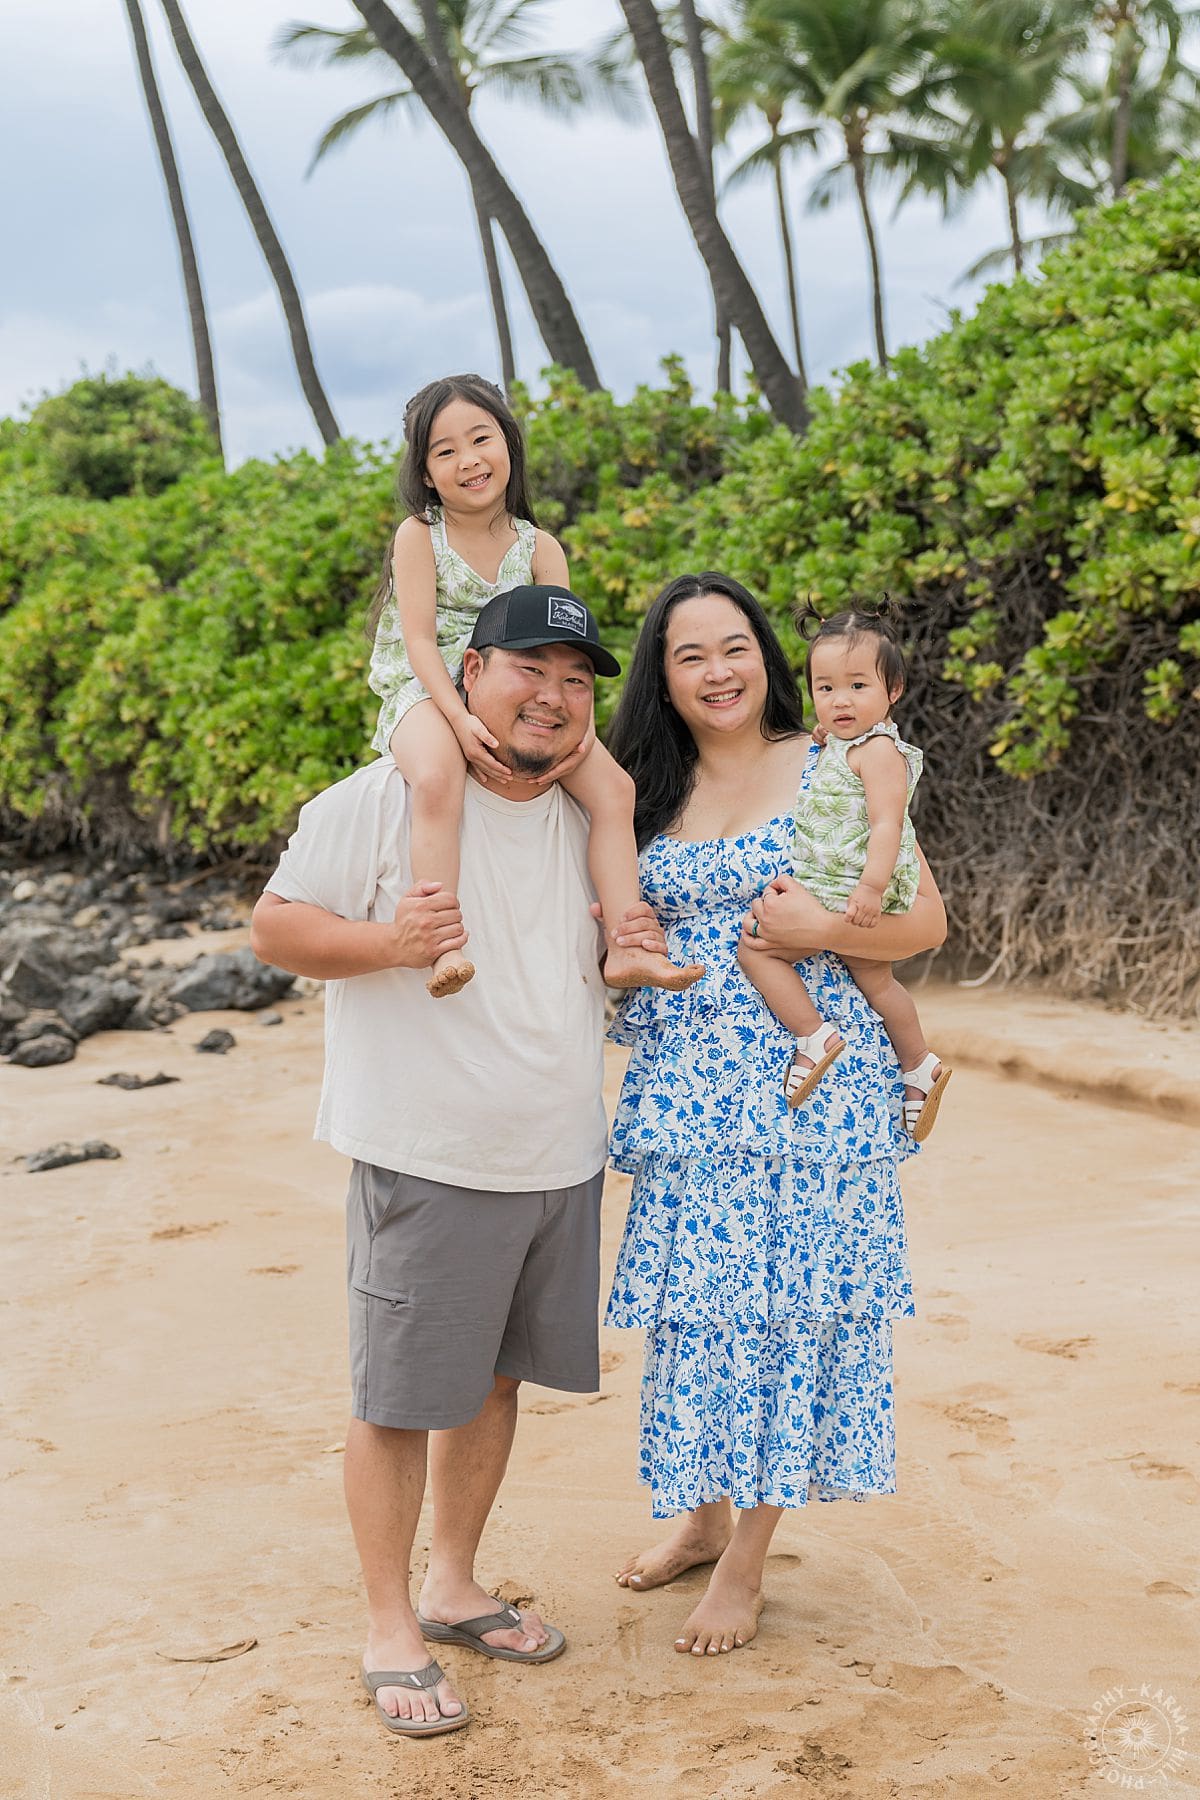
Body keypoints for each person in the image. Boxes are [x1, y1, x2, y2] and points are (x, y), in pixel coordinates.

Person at [250, 586, 669, 1737]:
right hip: (428, 1155)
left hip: (559, 1153)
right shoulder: (383, 797)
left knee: (493, 1383)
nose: (554, 695)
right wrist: (391, 943)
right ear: (470, 674)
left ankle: (453, 1585)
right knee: (397, 1399)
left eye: (579, 680)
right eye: (528, 669)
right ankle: (389, 1625)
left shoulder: (591, 821)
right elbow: (276, 927)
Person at [602, 572, 947, 1658]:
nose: (718, 670)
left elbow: (923, 919)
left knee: (789, 1318)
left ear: (768, 657)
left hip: (813, 1088)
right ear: (663, 675)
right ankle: (702, 1522)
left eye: (735, 646)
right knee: (700, 1317)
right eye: (690, 653)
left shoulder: (832, 764)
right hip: (687, 1097)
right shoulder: (644, 791)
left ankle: (747, 1559)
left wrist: (814, 939)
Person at [367, 371, 700, 998]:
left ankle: (626, 944)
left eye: (481, 438)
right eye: (445, 451)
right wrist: (459, 719)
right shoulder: (420, 536)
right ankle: (444, 945)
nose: (469, 460)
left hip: (519, 691)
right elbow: (416, 641)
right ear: (426, 472)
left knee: (615, 790)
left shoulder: (539, 546)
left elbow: (569, 654)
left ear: (509, 447)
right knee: (437, 778)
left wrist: (584, 733)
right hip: (429, 685)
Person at [737, 601, 951, 1140]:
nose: (840, 701)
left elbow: (887, 824)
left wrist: (871, 888)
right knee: (876, 982)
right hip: (833, 887)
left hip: (853, 889)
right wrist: (826, 738)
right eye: (826, 688)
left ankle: (814, 1035)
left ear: (893, 690)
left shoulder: (880, 751)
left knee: (758, 949)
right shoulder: (840, 743)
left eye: (858, 686)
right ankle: (918, 1063)